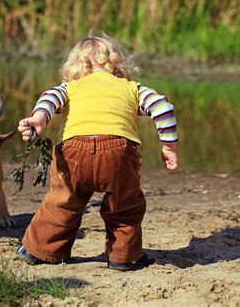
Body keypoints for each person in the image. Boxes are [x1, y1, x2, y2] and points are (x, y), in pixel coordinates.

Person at [16, 29, 178, 271]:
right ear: (117, 64)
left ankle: (41, 251)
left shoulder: (71, 87)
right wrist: (168, 146)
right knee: (124, 206)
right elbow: (163, 107)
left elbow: (51, 97)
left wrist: (39, 118)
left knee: (62, 202)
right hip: (119, 153)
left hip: (74, 152)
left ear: (75, 68)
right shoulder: (132, 88)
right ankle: (124, 257)